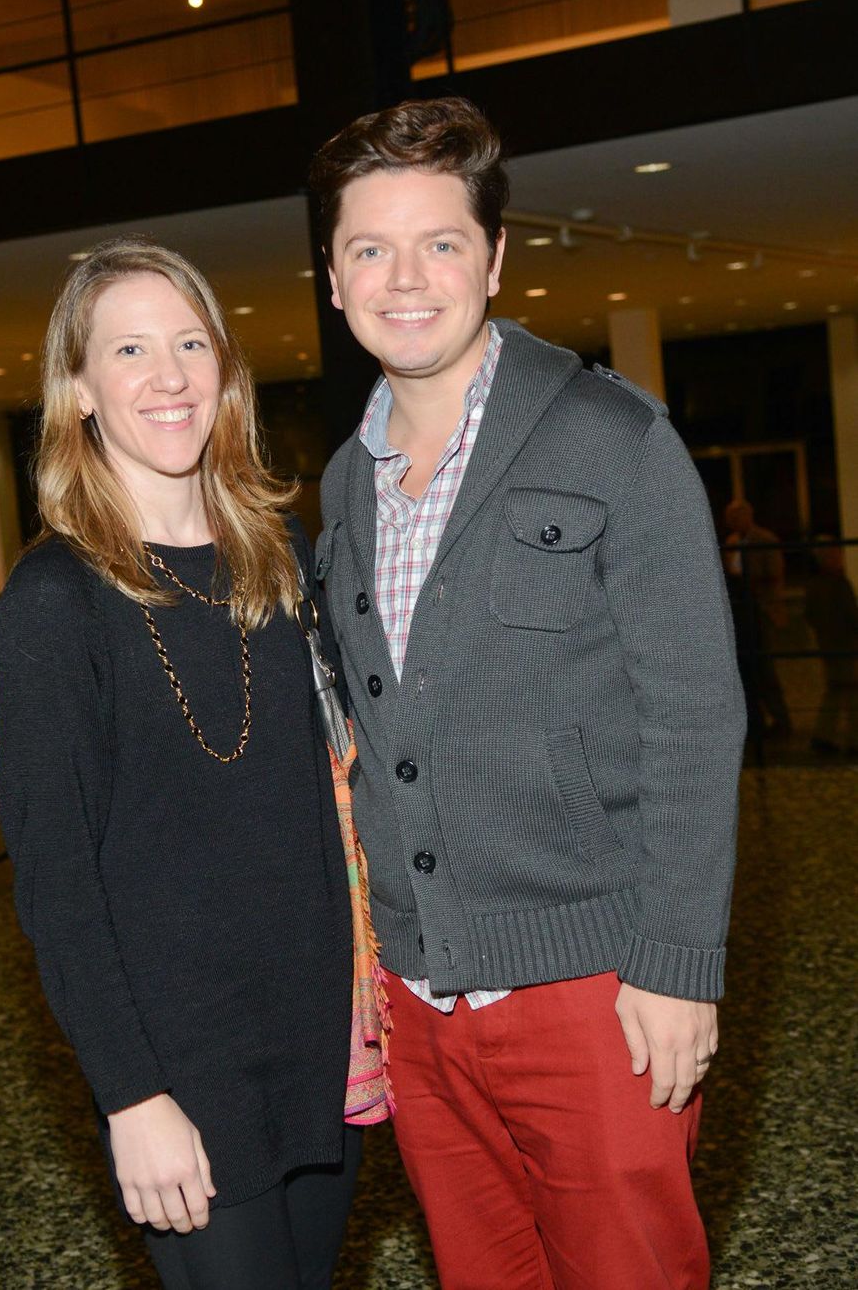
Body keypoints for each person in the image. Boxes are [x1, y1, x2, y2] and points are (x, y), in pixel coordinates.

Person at [308, 97, 746, 1289]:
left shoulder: (611, 437)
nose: (405, 278)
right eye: (369, 249)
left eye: (439, 242)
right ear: (334, 279)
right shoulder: (346, 482)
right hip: (419, 1003)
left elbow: (696, 716)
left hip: (595, 994)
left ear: (492, 260)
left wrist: (674, 962)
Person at [0, 238, 361, 1290]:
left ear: (226, 371)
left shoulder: (277, 556)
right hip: (180, 1062)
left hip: (316, 1034)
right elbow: (57, 881)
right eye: (130, 348)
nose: (168, 376)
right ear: (78, 391)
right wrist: (130, 1093)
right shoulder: (55, 601)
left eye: (191, 342)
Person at [722, 497, 792, 739]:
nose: (732, 522)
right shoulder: (731, 542)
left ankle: (781, 720)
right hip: (742, 612)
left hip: (762, 609)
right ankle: (757, 721)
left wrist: (750, 584)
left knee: (766, 669)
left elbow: (774, 575)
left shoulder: (765, 540)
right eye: (730, 518)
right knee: (749, 669)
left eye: (736, 516)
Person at [804, 537, 858, 754]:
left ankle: (823, 735)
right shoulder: (839, 584)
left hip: (827, 644)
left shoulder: (814, 586)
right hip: (846, 646)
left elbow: (810, 615)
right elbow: (852, 617)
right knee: (851, 692)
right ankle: (854, 740)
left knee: (835, 691)